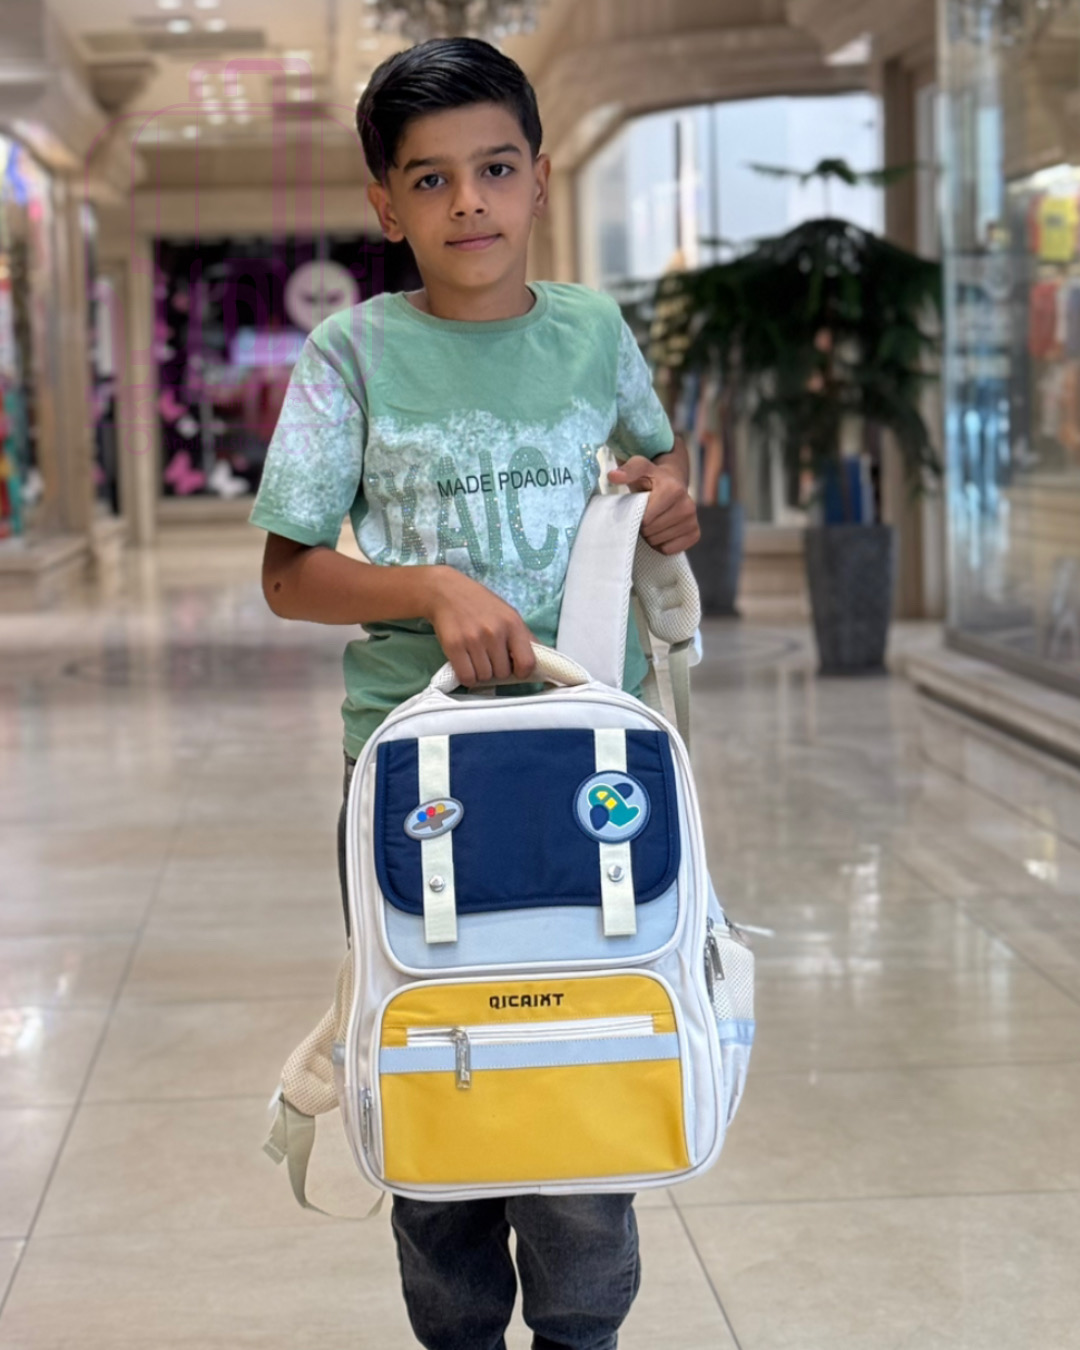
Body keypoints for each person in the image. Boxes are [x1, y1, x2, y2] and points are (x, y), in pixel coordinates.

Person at [250, 35, 700, 1350]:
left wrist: (667, 503)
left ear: (540, 178)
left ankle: (581, 1327)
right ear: (386, 205)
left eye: (496, 169)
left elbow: (663, 471)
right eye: (431, 179)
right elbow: (288, 573)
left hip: (590, 765)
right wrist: (429, 587)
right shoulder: (349, 355)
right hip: (415, 771)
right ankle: (454, 1327)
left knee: (586, 1050)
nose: (470, 204)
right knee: (437, 1049)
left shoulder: (594, 332)